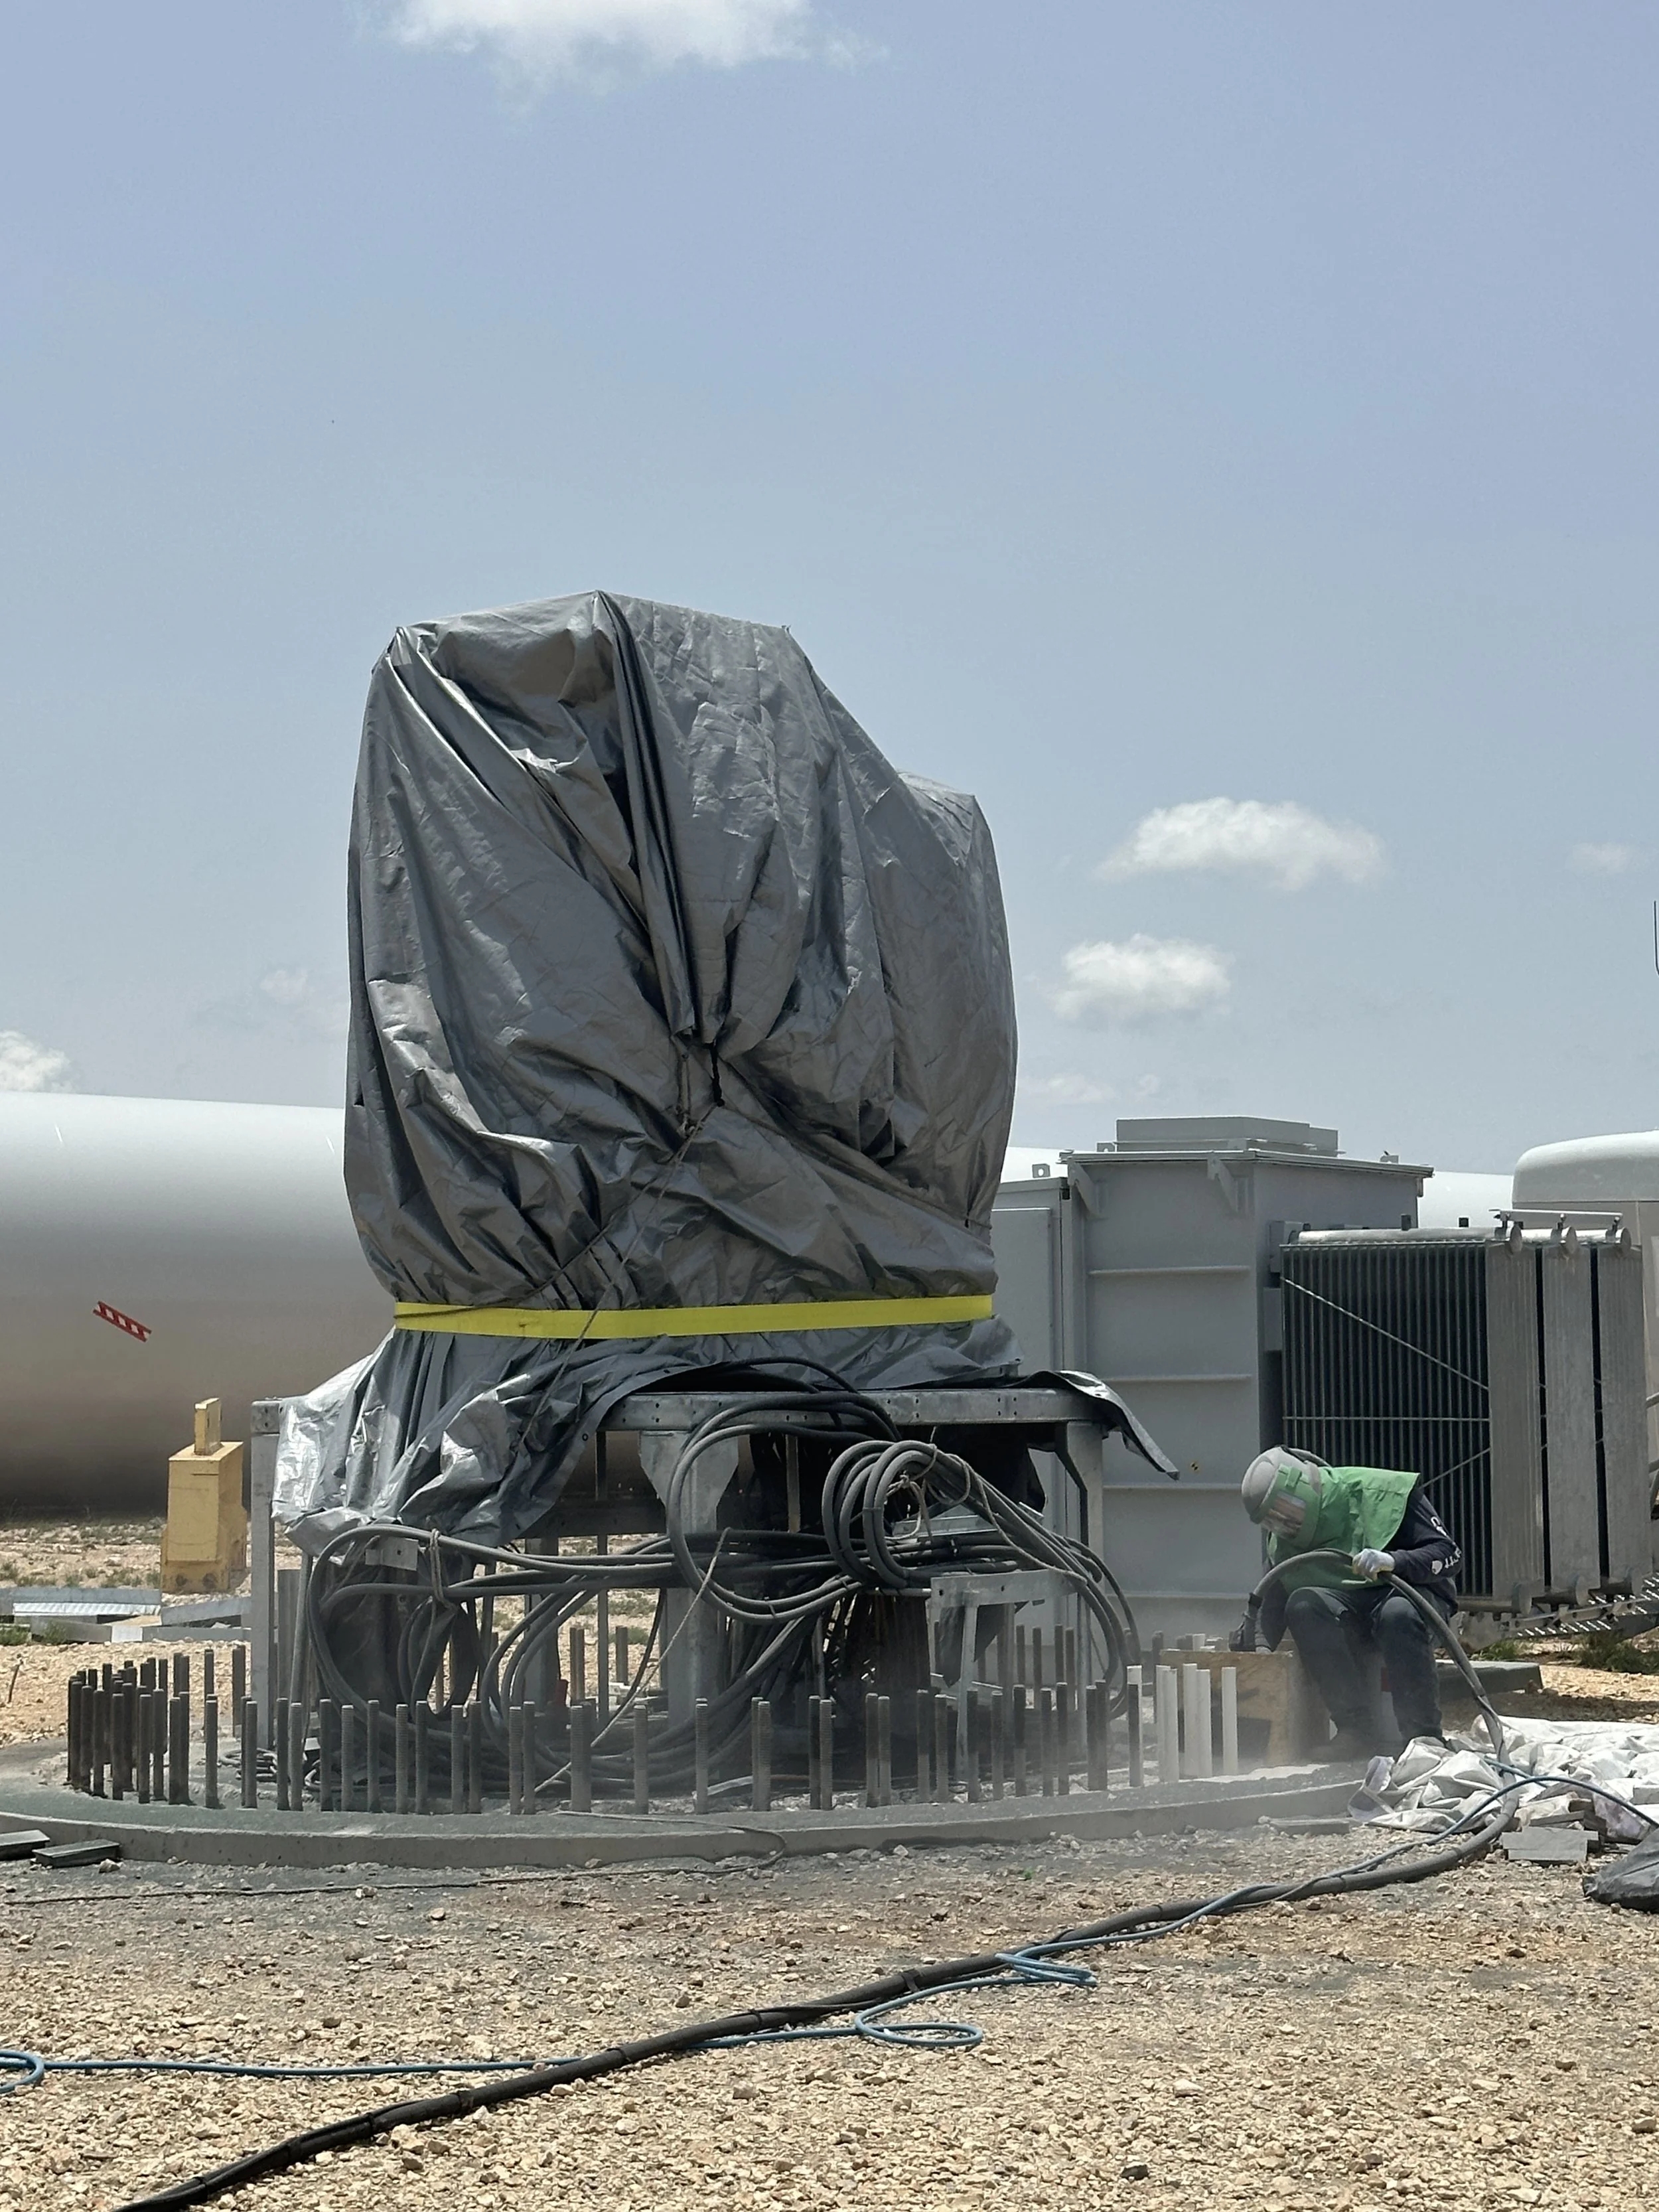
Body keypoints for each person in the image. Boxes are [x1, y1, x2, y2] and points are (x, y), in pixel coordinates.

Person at [1230, 1448, 1461, 1759]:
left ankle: (1423, 1738)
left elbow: (1449, 1555)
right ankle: (1355, 1730)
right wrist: (1249, 1661)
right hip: (1351, 1611)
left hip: (1413, 1598)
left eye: (1286, 1510)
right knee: (1302, 1604)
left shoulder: (1384, 1493)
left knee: (1397, 1614)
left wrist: (1396, 1560)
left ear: (1303, 1490)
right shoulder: (1286, 1544)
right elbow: (1268, 1609)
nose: (1284, 1523)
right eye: (1273, 1519)